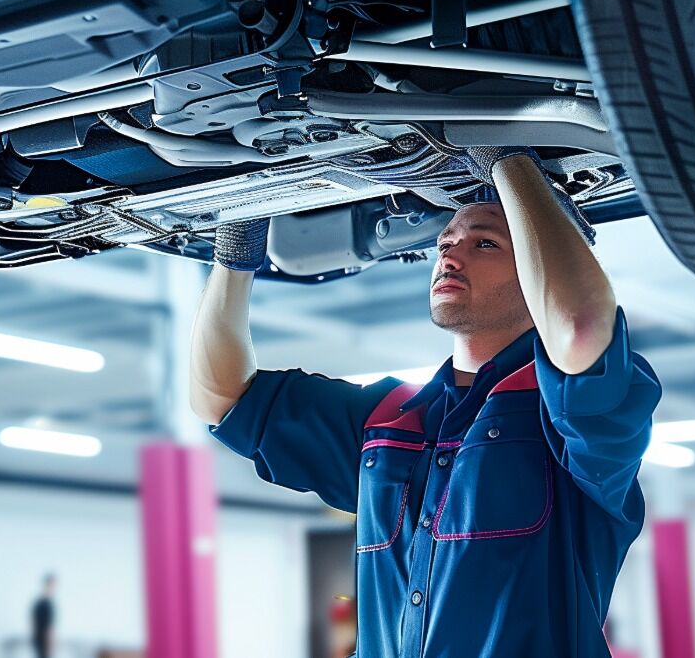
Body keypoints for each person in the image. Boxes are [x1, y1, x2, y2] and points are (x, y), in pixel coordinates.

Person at [190, 146, 661, 657]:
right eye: (446, 244)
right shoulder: (389, 419)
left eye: (484, 244)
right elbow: (220, 397)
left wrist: (508, 161)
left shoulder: (570, 419)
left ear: (538, 272)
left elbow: (580, 326)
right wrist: (236, 253)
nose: (451, 257)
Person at [30, 573, 56, 658]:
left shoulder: (41, 603)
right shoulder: (45, 604)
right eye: (51, 585)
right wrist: (49, 643)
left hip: (39, 642)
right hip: (42, 643)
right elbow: (47, 629)